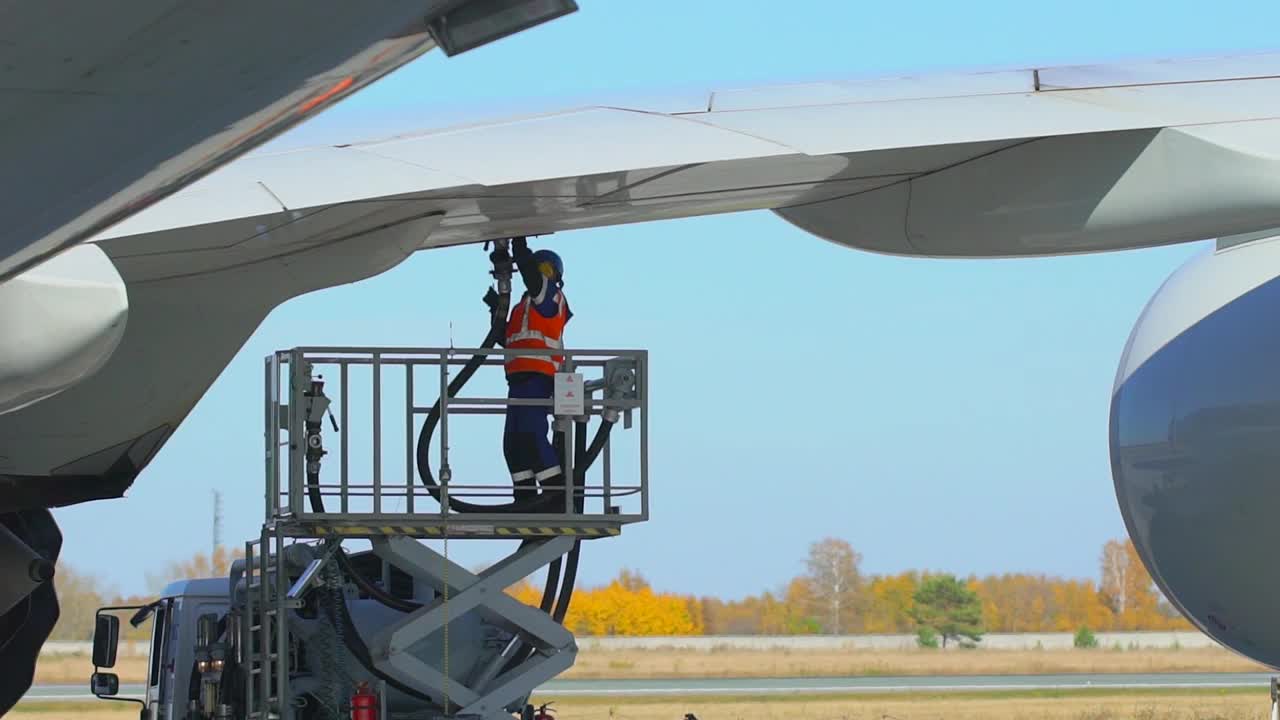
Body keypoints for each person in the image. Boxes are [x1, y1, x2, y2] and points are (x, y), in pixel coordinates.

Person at [500, 237, 571, 503]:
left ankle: (554, 496)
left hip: (539, 378)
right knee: (513, 443)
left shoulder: (552, 297)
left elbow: (532, 279)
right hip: (518, 381)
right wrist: (496, 307)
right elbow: (509, 339)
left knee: (531, 436)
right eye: (538, 268)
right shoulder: (523, 306)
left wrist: (519, 248)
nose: (542, 274)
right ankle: (525, 498)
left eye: (547, 270)